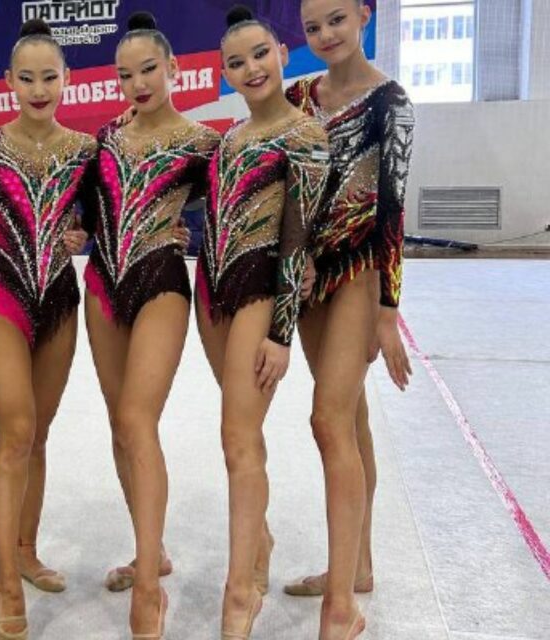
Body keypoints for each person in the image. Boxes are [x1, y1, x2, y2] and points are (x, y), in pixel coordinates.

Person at [76, 11, 220, 638]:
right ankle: (149, 552)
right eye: (125, 74)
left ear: (174, 68)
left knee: (138, 419)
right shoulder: (107, 138)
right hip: (102, 283)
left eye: (148, 70)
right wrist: (75, 232)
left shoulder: (202, 142)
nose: (137, 83)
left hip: (161, 279)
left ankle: (149, 589)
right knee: (120, 425)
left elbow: (236, 207)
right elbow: (88, 211)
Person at [194, 7, 331, 637]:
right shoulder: (229, 138)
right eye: (236, 62)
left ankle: (239, 587)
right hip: (211, 291)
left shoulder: (305, 135)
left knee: (237, 440)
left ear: (281, 53)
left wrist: (281, 332)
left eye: (258, 54)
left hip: (258, 292)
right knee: (240, 431)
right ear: (224, 72)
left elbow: (298, 240)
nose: (250, 68)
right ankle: (261, 542)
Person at [282, 1, 416, 637]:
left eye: (336, 19)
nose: (326, 34)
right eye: (313, 27)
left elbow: (392, 209)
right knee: (350, 417)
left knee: (328, 419)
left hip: (360, 275)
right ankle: (355, 567)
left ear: (364, 14)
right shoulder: (298, 98)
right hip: (312, 281)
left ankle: (341, 605)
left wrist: (389, 311)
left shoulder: (391, 102)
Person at [0, 19, 97, 640]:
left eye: (49, 77)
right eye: (27, 78)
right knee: (15, 431)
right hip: (4, 298)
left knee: (38, 434)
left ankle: (25, 549)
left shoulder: (85, 150)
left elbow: (101, 220)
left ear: (67, 79)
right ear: (8, 81)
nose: (39, 89)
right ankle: (6, 581)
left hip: (61, 301)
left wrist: (85, 235)